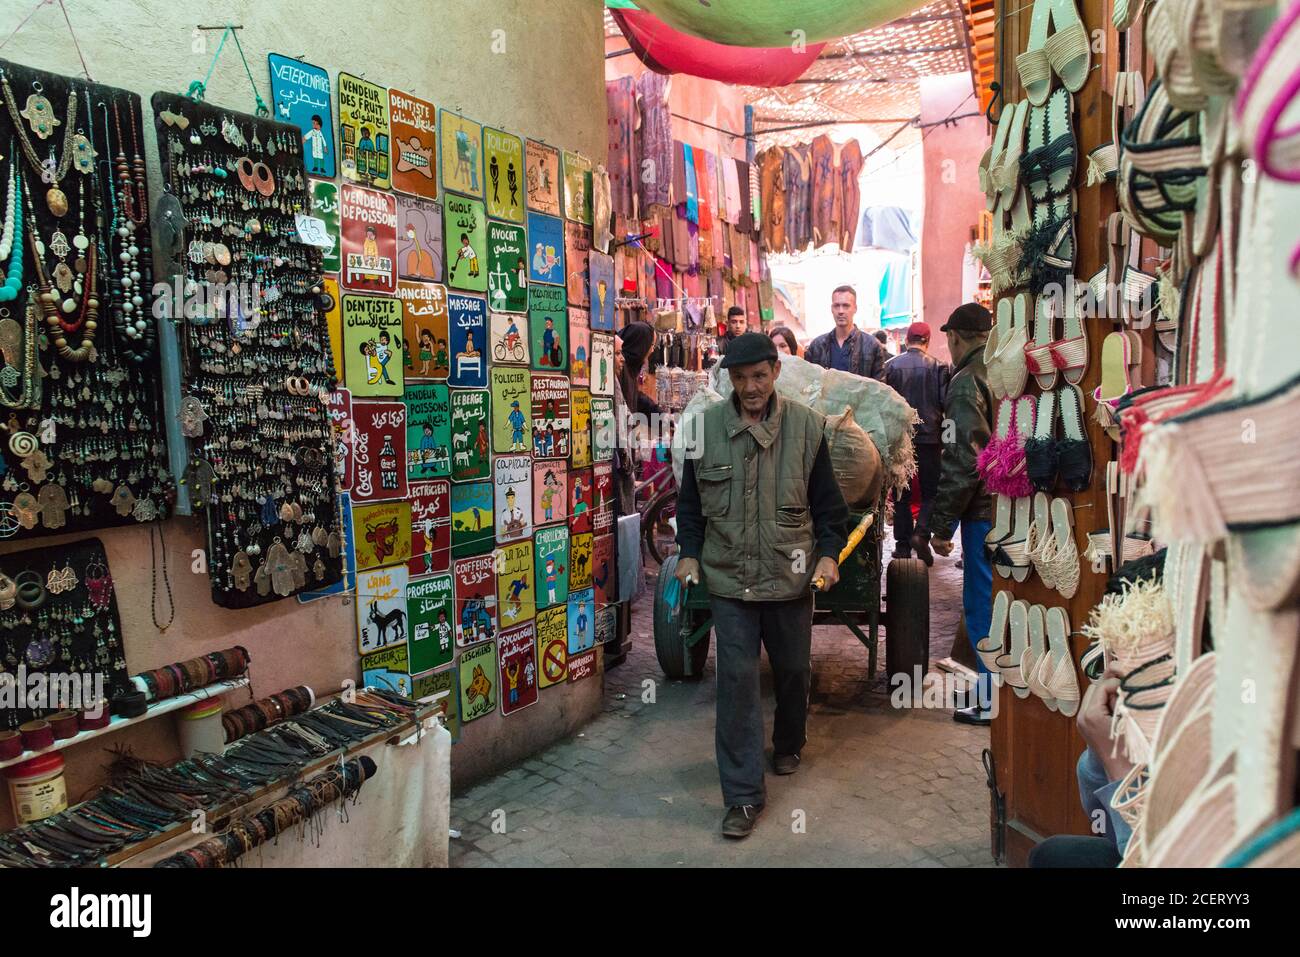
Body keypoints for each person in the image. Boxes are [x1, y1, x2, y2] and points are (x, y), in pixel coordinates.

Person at [675, 332, 849, 839]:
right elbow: (689, 506)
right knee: (736, 683)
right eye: (740, 377)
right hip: (730, 581)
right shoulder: (704, 428)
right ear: (729, 379)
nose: (750, 387)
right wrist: (689, 553)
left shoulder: (807, 427)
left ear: (775, 372)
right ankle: (743, 796)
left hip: (790, 579)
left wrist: (829, 554)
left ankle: (790, 741)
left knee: (793, 670)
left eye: (759, 376)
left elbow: (829, 509)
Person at [909, 303, 995, 725]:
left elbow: (963, 459)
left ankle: (990, 700)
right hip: (1008, 506)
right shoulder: (1006, 366)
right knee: (997, 602)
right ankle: (994, 691)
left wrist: (941, 527)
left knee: (982, 605)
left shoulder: (966, 382)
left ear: (956, 339)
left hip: (983, 512)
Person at [883, 322, 951, 559]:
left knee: (901, 491)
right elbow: (945, 404)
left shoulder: (890, 366)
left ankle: (902, 546)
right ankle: (921, 533)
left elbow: (886, 406)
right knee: (932, 491)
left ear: (906, 339)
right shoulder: (939, 368)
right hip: (930, 438)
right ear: (927, 340)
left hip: (901, 439)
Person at [803, 285, 887, 380]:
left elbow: (880, 387)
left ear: (855, 308)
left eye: (846, 306)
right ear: (831, 309)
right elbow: (808, 383)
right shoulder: (817, 346)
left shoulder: (872, 346)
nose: (840, 311)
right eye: (836, 306)